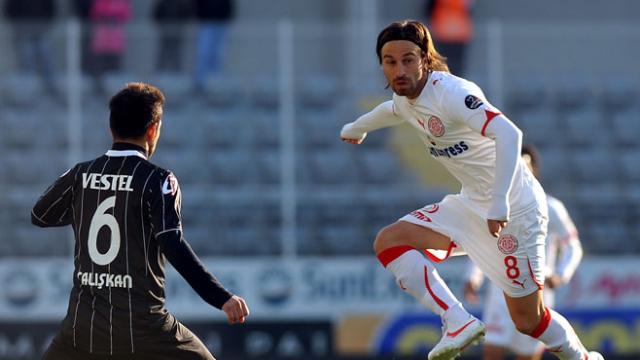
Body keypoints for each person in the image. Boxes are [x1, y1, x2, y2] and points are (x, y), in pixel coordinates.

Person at [340, 20, 602, 360]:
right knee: (389, 240)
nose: (399, 69)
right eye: (390, 61)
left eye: (408, 59)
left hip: (515, 210)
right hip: (471, 205)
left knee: (528, 321)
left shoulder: (451, 93)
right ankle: (457, 321)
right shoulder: (406, 99)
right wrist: (356, 128)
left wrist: (498, 205)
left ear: (425, 58)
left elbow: (510, 135)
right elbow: (390, 110)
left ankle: (582, 358)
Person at [32, 82, 249, 360]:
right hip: (144, 328)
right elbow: (172, 242)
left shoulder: (81, 175)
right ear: (153, 129)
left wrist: (85, 202)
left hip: (82, 330)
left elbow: (39, 215)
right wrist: (221, 297)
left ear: (111, 128)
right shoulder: (158, 180)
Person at [464, 144, 584, 360]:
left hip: (537, 291)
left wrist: (560, 274)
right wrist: (472, 277)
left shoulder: (551, 207)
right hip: (501, 291)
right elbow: (483, 243)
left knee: (527, 356)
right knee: (491, 352)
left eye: (525, 166)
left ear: (535, 170)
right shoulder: (498, 208)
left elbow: (573, 246)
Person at [3, 0, 57, 95]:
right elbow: (9, 10)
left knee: (46, 59)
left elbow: (51, 9)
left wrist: (46, 25)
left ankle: (49, 89)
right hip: (23, 32)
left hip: (41, 31)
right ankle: (31, 91)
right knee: (27, 61)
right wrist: (17, 28)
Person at [192, 0, 235, 92]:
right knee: (204, 52)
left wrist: (228, 15)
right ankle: (200, 82)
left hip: (221, 21)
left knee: (218, 54)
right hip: (206, 22)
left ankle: (215, 81)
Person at [425, 0, 474, 76]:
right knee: (454, 67)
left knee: (444, 65)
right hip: (455, 34)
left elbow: (428, 10)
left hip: (445, 33)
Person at [153, 0, 194, 72]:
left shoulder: (182, 3)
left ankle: (177, 71)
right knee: (164, 53)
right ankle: (160, 71)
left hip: (178, 32)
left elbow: (187, 15)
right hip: (165, 33)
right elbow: (156, 15)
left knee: (177, 52)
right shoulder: (163, 3)